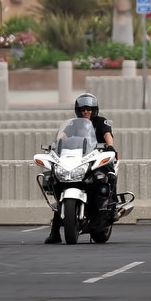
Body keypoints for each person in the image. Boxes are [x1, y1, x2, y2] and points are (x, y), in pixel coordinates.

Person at [44, 92, 116, 244]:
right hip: (77, 161)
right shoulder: (72, 124)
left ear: (95, 110)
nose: (86, 112)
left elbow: (108, 136)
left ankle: (110, 206)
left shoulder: (101, 122)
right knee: (58, 184)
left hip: (96, 159)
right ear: (78, 110)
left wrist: (110, 147)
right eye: (83, 109)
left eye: (89, 109)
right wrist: (55, 145)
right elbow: (61, 136)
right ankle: (55, 232)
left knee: (106, 176)